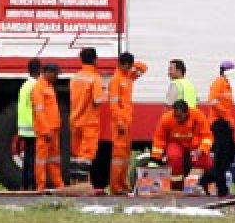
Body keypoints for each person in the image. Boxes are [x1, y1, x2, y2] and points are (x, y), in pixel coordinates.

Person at [108, 52, 148, 195]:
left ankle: (123, 185)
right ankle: (115, 186)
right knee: (118, 157)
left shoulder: (128, 77)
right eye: (128, 66)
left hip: (127, 122)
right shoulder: (116, 80)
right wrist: (120, 122)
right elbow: (113, 105)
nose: (130, 68)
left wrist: (132, 65)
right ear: (121, 64)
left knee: (125, 157)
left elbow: (144, 68)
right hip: (120, 123)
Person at [151, 100, 213, 186]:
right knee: (174, 157)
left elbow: (207, 136)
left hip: (195, 145)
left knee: (206, 161)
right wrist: (155, 158)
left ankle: (204, 184)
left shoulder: (198, 116)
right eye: (175, 116)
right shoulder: (167, 118)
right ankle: (177, 185)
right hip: (176, 143)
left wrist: (202, 149)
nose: (177, 118)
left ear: (187, 112)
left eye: (179, 116)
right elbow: (159, 138)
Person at [69, 47, 106, 177]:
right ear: (95, 60)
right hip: (89, 122)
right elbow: (97, 100)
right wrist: (105, 94)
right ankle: (82, 182)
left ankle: (74, 182)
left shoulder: (75, 78)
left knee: (75, 153)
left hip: (74, 120)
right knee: (86, 154)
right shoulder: (95, 78)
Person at [205, 60, 235, 198]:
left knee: (230, 155)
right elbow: (212, 101)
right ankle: (221, 189)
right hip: (219, 123)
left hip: (225, 123)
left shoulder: (228, 85)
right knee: (222, 157)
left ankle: (208, 179)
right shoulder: (219, 82)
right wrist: (226, 117)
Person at [32, 63, 63, 191]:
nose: (56, 76)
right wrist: (46, 130)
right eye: (55, 73)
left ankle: (59, 185)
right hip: (46, 132)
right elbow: (39, 112)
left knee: (54, 160)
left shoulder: (48, 86)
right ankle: (40, 186)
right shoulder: (39, 88)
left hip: (53, 129)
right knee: (41, 160)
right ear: (47, 72)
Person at [16, 59, 41, 192]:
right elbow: (37, 107)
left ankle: (25, 184)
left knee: (27, 158)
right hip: (32, 126)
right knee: (32, 158)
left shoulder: (25, 85)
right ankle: (31, 184)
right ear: (39, 71)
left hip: (24, 126)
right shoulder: (35, 86)